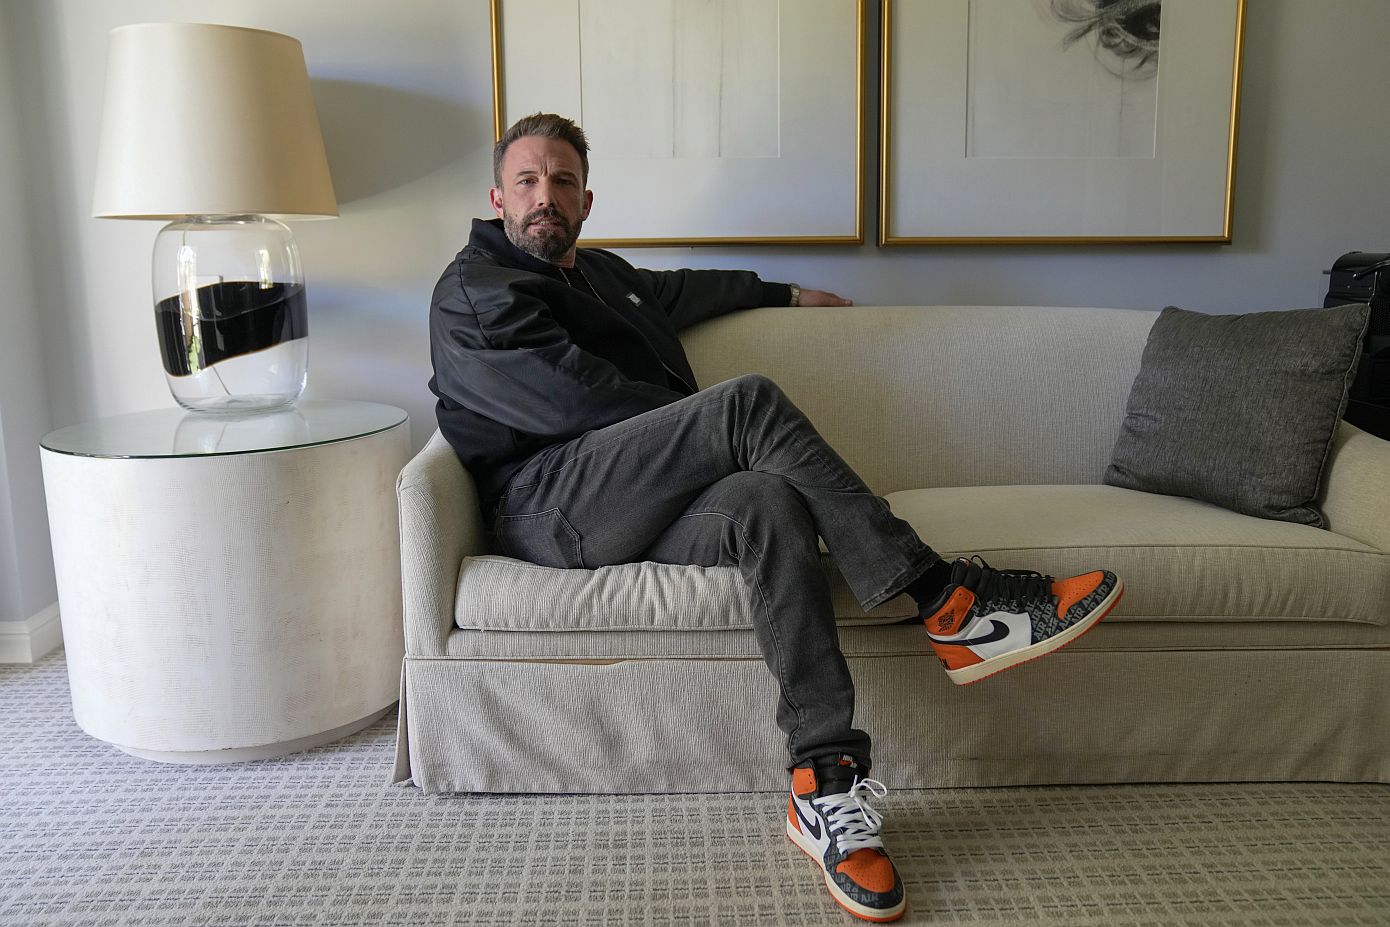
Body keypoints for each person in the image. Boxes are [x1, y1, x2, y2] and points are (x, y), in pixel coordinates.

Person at [429, 113, 1123, 923]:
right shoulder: (476, 290)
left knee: (767, 500)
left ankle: (822, 782)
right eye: (527, 180)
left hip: (631, 499)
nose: (544, 195)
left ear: (587, 200)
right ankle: (949, 598)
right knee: (745, 407)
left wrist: (784, 295)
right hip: (547, 502)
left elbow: (682, 290)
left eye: (563, 180)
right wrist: (704, 431)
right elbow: (570, 402)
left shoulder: (604, 273)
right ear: (498, 197)